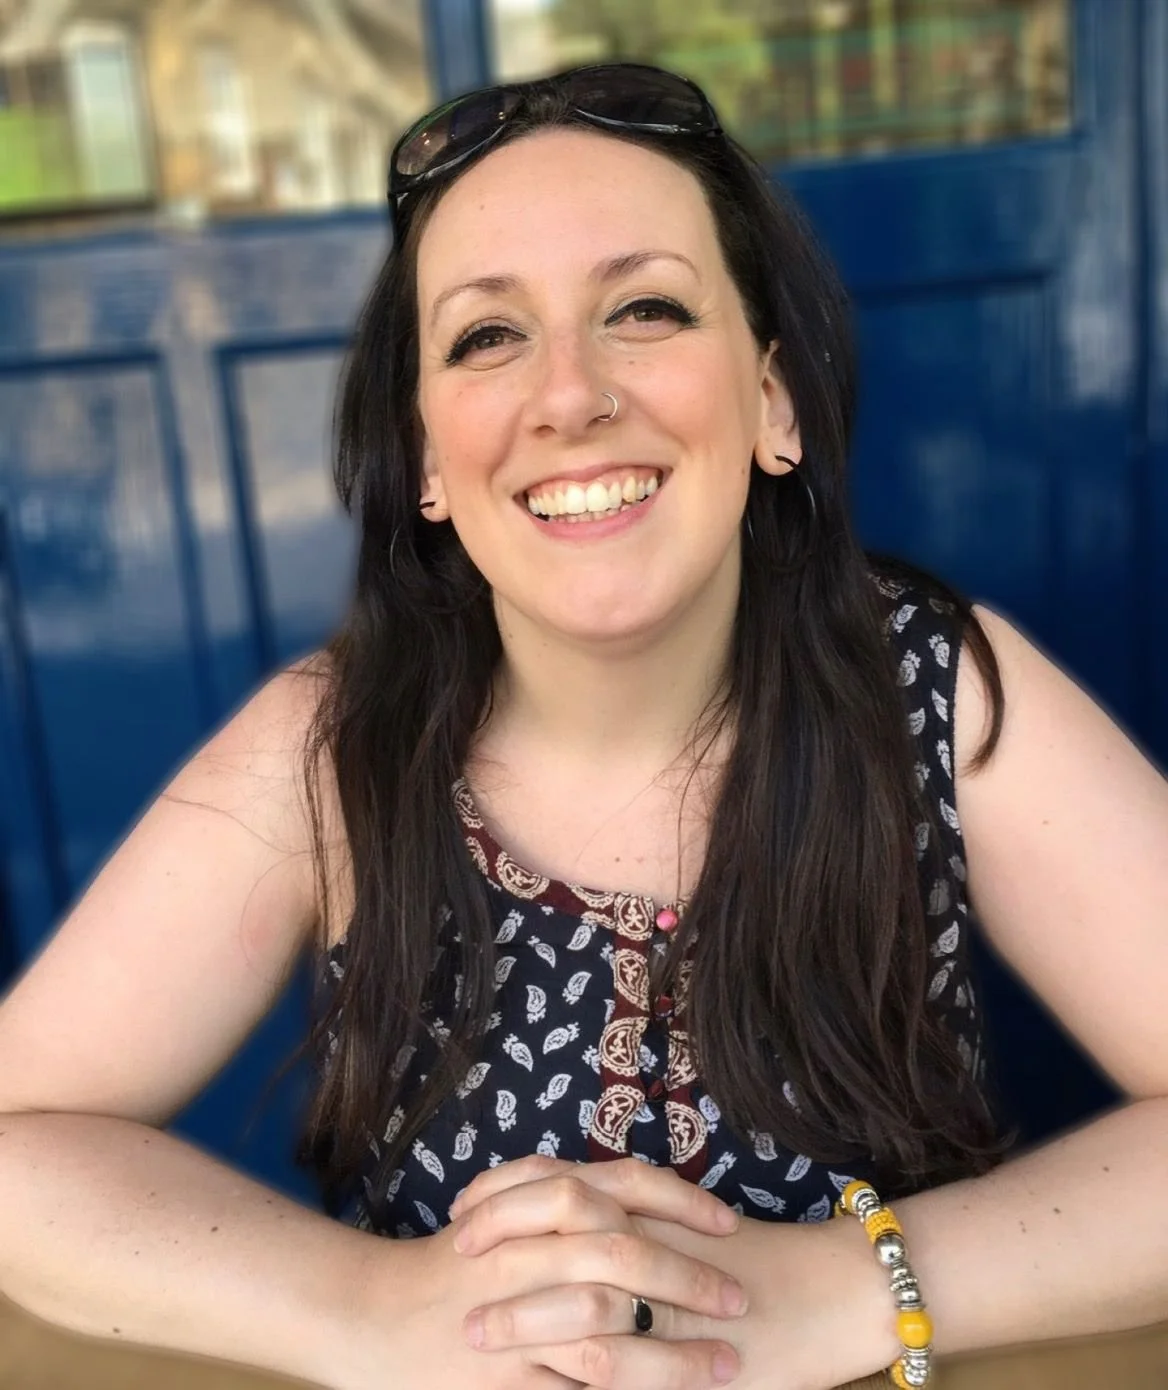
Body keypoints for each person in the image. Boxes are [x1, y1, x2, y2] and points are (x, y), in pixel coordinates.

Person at [0, 61, 1165, 1390]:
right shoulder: (327, 745)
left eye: (646, 307)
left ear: (772, 402)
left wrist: (865, 1285)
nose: (570, 394)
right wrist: (366, 1307)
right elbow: (17, 1134)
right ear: (429, 456)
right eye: (488, 336)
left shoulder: (934, 693)